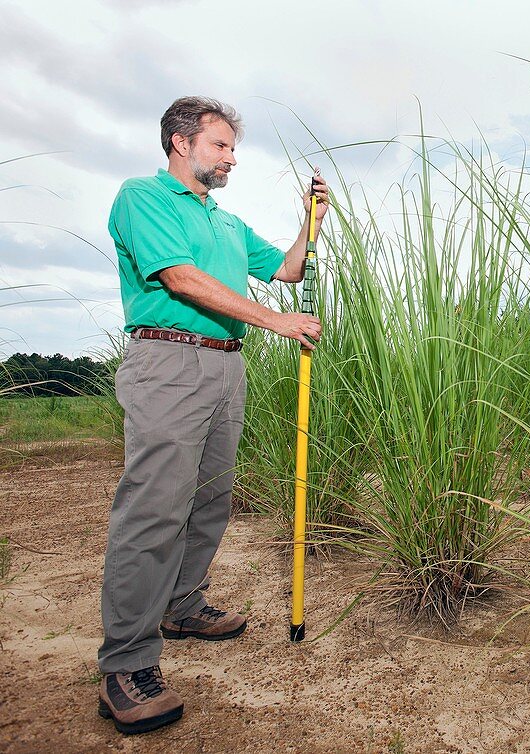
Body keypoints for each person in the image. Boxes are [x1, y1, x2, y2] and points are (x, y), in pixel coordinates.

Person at [97, 96, 327, 735]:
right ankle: (126, 665)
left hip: (227, 366)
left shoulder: (225, 223)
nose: (231, 159)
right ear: (180, 142)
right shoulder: (143, 197)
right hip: (168, 362)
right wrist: (275, 320)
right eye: (221, 146)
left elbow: (287, 269)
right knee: (154, 509)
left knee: (209, 501)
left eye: (232, 149)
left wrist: (311, 221)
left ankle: (183, 605)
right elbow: (178, 278)